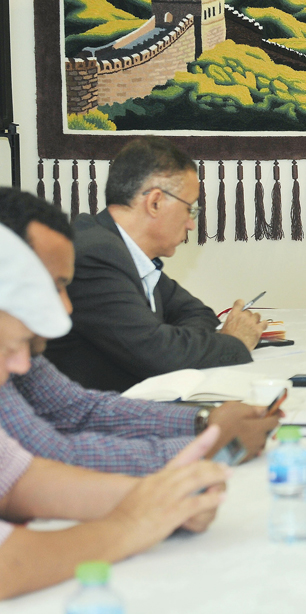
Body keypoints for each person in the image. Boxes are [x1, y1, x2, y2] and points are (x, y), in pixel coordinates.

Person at [0, 224, 228, 599]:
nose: (23, 364)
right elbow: (9, 563)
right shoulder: (100, 252)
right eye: (54, 285)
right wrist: (132, 523)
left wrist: (165, 498)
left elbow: (18, 479)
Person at [0, 189, 278, 474]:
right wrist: (209, 446)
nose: (67, 307)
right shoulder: (98, 251)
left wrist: (205, 421)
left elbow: (84, 409)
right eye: (54, 286)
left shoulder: (20, 351)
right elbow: (52, 456)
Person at [44, 137, 268, 392]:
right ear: (155, 203)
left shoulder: (126, 252)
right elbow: (159, 356)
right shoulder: (94, 256)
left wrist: (167, 340)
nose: (191, 224)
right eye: (189, 209)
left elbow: (198, 314)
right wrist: (232, 341)